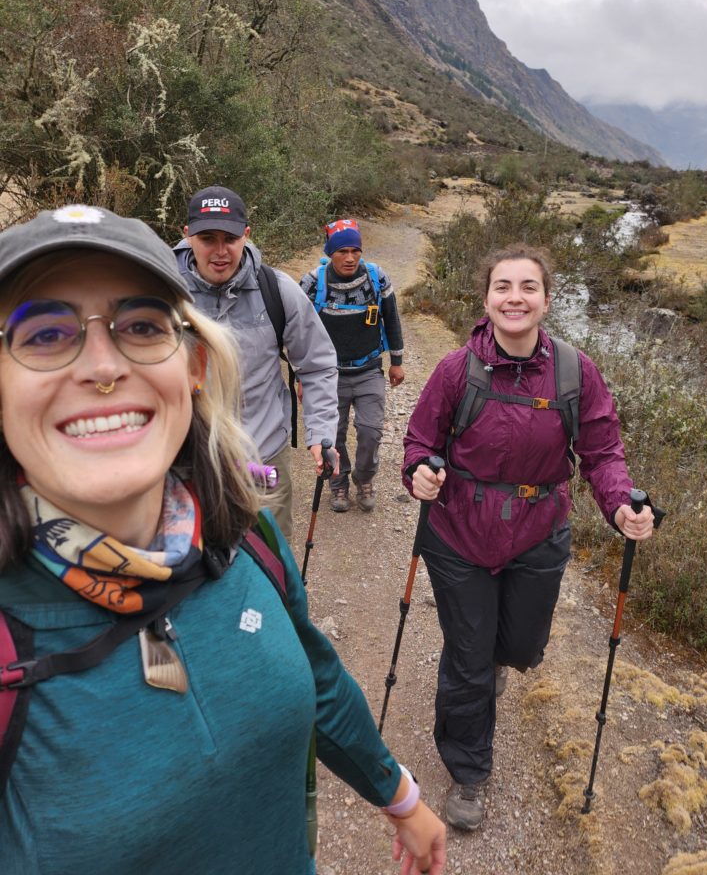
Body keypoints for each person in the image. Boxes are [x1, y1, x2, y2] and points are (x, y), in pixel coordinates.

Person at [0, 204, 446, 875]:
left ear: (196, 365)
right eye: (42, 334)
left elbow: (317, 674)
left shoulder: (245, 532)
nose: (101, 366)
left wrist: (400, 794)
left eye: (143, 326)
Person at [402, 243, 655, 832]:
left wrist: (621, 505)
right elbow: (419, 441)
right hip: (458, 533)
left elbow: (602, 451)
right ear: (486, 298)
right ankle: (469, 772)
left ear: (545, 298)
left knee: (519, 650)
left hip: (538, 535)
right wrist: (420, 470)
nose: (515, 298)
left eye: (528, 287)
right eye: (503, 287)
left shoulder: (575, 371)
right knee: (468, 657)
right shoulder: (455, 369)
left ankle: (491, 661)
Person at [174, 186, 339, 542]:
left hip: (263, 456)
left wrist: (320, 432)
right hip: (185, 461)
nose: (220, 251)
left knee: (272, 558)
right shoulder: (164, 295)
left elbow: (317, 363)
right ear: (187, 237)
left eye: (230, 238)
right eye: (207, 238)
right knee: (190, 564)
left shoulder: (277, 291)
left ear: (246, 236)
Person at [300, 219, 404, 514]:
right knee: (333, 435)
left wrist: (396, 362)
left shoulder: (376, 278)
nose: (349, 258)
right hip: (327, 375)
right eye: (342, 251)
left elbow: (392, 319)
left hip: (369, 368)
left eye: (355, 250)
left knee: (370, 431)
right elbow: (300, 333)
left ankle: (364, 478)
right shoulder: (311, 283)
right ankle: (338, 483)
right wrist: (302, 377)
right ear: (330, 252)